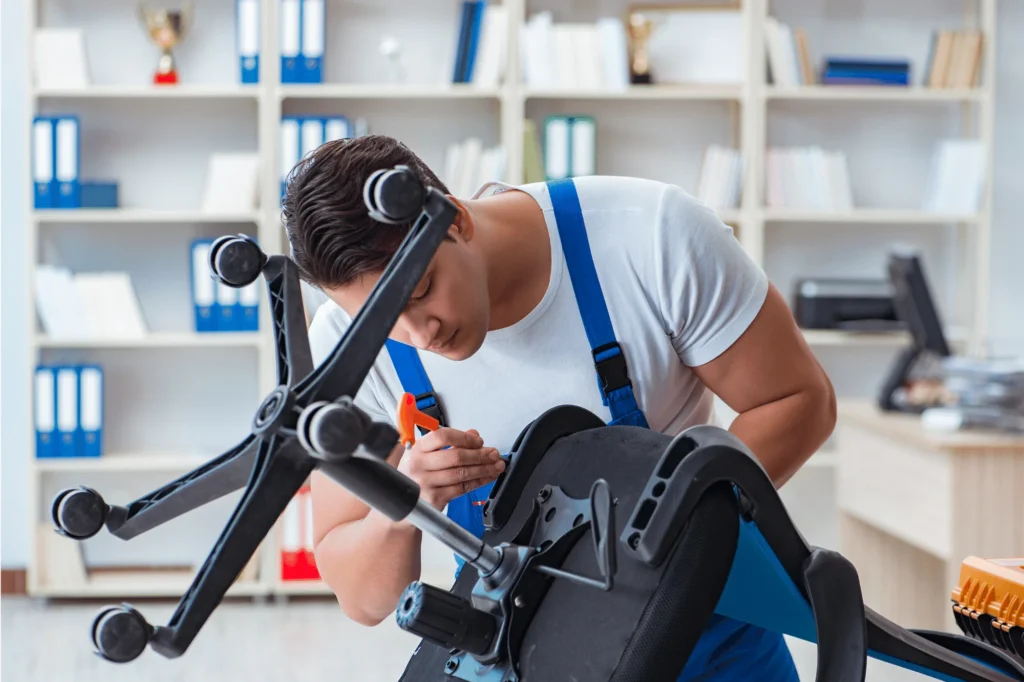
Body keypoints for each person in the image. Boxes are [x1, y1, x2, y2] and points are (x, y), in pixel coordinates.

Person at [286, 134, 836, 681]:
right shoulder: (346, 348)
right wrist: (405, 503)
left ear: (456, 221)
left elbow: (797, 400)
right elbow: (363, 598)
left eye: (421, 290)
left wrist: (666, 531)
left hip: (699, 631)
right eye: (383, 323)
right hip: (519, 655)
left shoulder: (649, 235)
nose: (419, 334)